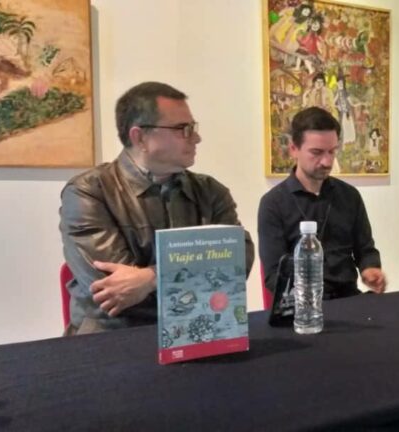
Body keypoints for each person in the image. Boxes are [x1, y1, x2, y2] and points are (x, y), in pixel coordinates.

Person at [59, 81, 255, 334]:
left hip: (196, 331)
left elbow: (238, 262)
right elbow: (115, 289)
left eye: (193, 128)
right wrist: (201, 277)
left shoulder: (210, 191)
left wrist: (151, 278)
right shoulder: (88, 191)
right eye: (183, 129)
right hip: (113, 336)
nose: (196, 138)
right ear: (139, 137)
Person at [258, 106, 386, 299]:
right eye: (316, 152)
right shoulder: (273, 204)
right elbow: (274, 274)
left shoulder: (349, 196)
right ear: (294, 149)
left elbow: (365, 249)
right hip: (302, 305)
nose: (327, 162)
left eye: (332, 152)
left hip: (349, 299)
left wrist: (370, 268)